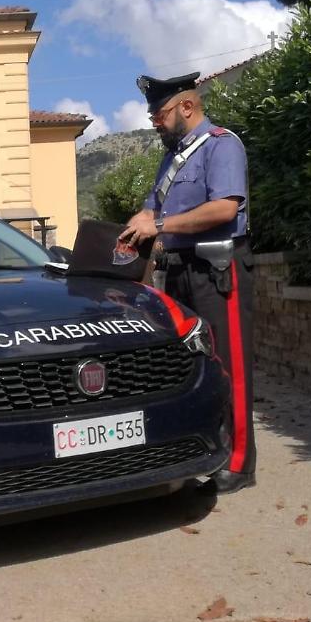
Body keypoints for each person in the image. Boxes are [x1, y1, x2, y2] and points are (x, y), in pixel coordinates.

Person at [118, 72, 256, 494]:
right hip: (177, 269)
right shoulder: (171, 158)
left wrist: (159, 225)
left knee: (229, 365)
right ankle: (203, 451)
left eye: (159, 115)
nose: (155, 122)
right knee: (194, 367)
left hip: (216, 269)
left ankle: (239, 464)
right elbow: (151, 212)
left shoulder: (221, 145)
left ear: (187, 107)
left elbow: (224, 208)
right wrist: (138, 224)